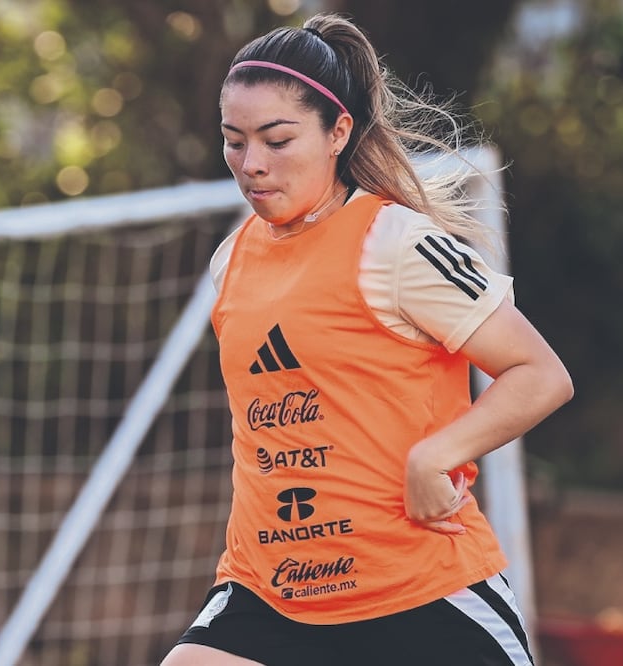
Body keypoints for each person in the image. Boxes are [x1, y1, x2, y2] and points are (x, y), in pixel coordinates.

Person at [161, 12, 572, 666]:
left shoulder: (396, 242)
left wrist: (435, 457)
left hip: (416, 591)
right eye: (233, 141)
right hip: (270, 591)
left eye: (277, 139)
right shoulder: (230, 260)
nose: (251, 164)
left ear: (338, 132)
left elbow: (540, 374)